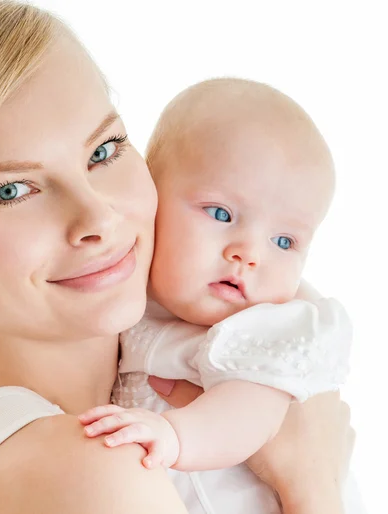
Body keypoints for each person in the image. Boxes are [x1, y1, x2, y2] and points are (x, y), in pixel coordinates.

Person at [0, 1, 354, 513]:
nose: (98, 219)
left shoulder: (21, 451)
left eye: (103, 151)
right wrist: (311, 486)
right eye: (12, 190)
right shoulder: (95, 472)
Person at [80, 78, 352, 473]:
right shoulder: (117, 289)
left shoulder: (271, 328)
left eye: (283, 241)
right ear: (152, 194)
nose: (249, 254)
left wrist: (174, 437)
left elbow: (246, 415)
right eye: (221, 214)